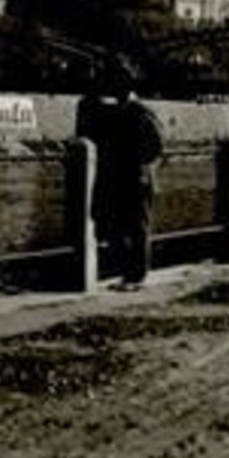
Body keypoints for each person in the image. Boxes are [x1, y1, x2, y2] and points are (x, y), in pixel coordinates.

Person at [77, 62, 164, 290]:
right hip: (124, 180)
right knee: (123, 226)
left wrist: (138, 163)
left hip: (138, 179)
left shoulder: (139, 111)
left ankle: (136, 277)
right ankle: (129, 275)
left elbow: (156, 145)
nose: (112, 88)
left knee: (138, 228)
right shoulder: (119, 111)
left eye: (116, 83)